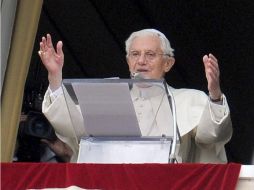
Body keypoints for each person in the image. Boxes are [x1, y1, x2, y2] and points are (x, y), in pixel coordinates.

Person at [39, 29, 232, 163]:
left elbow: (212, 135)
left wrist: (214, 93)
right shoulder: (107, 99)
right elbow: (71, 124)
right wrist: (55, 77)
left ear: (168, 64)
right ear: (127, 60)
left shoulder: (188, 99)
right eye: (135, 54)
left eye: (150, 54)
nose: (141, 61)